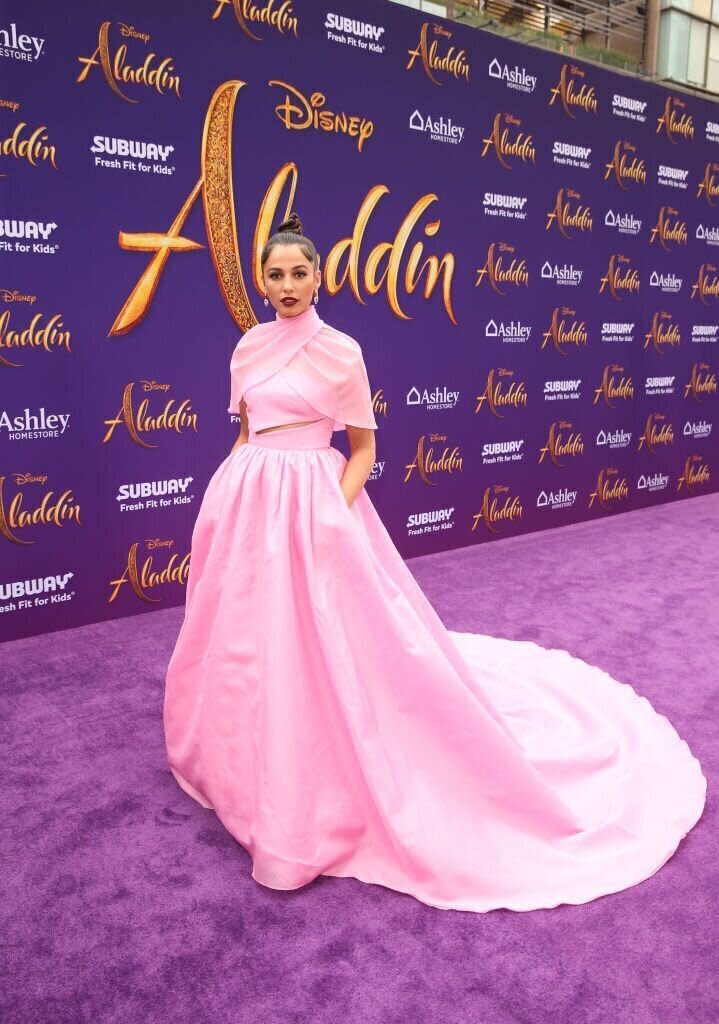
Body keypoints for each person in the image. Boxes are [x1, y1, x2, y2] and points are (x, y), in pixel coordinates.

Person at [163, 212, 707, 913]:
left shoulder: (341, 352)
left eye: (300, 272)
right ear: (261, 281)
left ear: (318, 276)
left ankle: (314, 776)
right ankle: (240, 761)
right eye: (276, 274)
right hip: (246, 504)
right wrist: (222, 497)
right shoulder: (247, 346)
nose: (288, 284)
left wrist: (333, 510)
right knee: (244, 639)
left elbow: (360, 448)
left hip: (316, 506)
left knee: (323, 640)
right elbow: (246, 433)